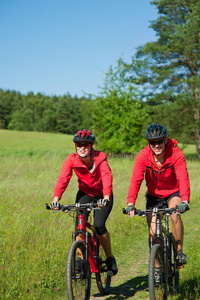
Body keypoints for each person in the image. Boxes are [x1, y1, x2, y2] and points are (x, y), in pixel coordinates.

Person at [50, 129, 118, 277]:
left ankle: (109, 258)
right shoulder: (71, 159)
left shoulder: (101, 158)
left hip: (102, 195)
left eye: (85, 145)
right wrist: (56, 199)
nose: (82, 147)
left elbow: (107, 176)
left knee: (99, 226)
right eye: (79, 144)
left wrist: (106, 197)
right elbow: (63, 179)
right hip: (85, 193)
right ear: (75, 146)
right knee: (79, 225)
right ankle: (81, 260)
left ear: (91, 146)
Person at [125, 123, 190, 275]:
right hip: (153, 195)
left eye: (159, 141)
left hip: (173, 193)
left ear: (165, 140)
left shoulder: (176, 153)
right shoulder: (143, 155)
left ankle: (179, 251)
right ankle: (157, 267)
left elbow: (183, 177)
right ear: (149, 143)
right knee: (153, 232)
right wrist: (130, 203)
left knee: (175, 215)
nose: (156, 145)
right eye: (152, 142)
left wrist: (185, 200)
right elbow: (136, 180)